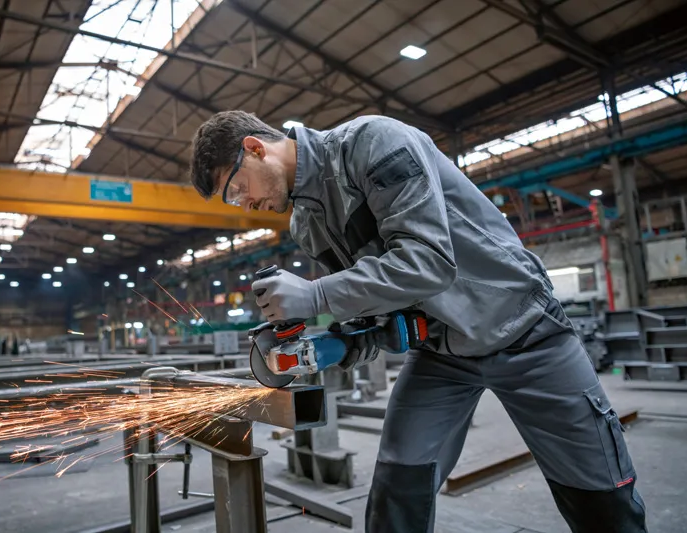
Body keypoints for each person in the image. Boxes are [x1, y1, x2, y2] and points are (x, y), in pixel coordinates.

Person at [188, 110, 647, 533]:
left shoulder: (371, 142)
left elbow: (428, 263)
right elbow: (381, 306)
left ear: (254, 148)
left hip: (524, 330)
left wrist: (316, 295)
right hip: (442, 354)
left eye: (236, 188)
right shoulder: (307, 224)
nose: (243, 203)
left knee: (599, 496)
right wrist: (337, 342)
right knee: (396, 486)